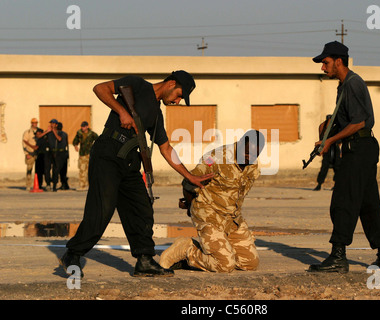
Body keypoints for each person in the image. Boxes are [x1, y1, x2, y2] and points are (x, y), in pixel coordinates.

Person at [59, 71, 215, 278]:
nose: (178, 101)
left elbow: (166, 148)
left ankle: (144, 260)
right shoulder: (137, 85)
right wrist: (121, 111)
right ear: (171, 83)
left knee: (141, 210)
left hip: (130, 162)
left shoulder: (157, 115)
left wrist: (189, 176)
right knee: (102, 209)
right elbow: (100, 88)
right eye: (179, 95)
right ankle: (73, 254)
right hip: (108, 154)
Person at [308, 41, 380, 273]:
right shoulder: (344, 85)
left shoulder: (353, 84)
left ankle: (338, 256)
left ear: (338, 61)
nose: (323, 68)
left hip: (358, 148)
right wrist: (328, 126)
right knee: (368, 203)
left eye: (325, 63)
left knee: (343, 201)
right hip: (361, 148)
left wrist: (330, 141)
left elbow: (359, 122)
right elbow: (348, 119)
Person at [159, 130, 265, 273]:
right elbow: (188, 182)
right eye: (246, 153)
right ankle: (187, 250)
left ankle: (221, 250)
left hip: (232, 218)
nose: (249, 158)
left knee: (249, 264)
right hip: (209, 214)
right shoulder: (216, 158)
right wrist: (191, 206)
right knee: (225, 266)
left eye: (254, 155)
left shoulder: (252, 163)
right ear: (240, 144)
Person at [73, 121, 98, 191]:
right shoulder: (79, 133)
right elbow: (75, 141)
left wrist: (95, 148)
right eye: (82, 126)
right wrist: (75, 146)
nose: (82, 128)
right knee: (82, 170)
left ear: (87, 126)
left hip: (90, 154)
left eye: (84, 126)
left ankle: (91, 185)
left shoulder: (92, 134)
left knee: (90, 170)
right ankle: (82, 185)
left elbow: (98, 140)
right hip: (82, 154)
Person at [22, 118, 39, 190]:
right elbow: (24, 143)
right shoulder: (27, 132)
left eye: (36, 123)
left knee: (39, 170)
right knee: (29, 169)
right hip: (30, 153)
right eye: (33, 123)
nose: (34, 124)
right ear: (31, 123)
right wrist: (26, 154)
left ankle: (39, 184)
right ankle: (28, 185)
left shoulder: (39, 131)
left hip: (37, 153)